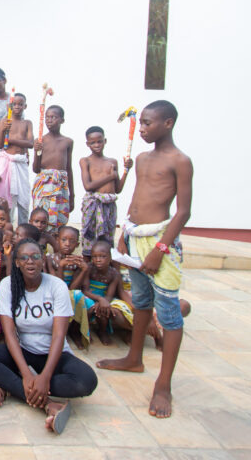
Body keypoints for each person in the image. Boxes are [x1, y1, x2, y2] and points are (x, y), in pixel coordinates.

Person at [96, 100, 193, 419]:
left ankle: (163, 385)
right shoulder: (141, 158)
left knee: (168, 313)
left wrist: (161, 248)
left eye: (149, 123)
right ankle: (134, 358)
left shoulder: (180, 161)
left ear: (168, 123)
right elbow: (137, 196)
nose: (143, 129)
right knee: (141, 302)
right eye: (143, 123)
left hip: (159, 241)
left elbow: (182, 211)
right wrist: (125, 230)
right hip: (135, 236)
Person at [0, 238, 98, 434]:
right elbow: (10, 334)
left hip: (53, 355)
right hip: (22, 353)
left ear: (42, 260)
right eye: (24, 258)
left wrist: (45, 377)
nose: (30, 262)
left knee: (86, 381)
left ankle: (9, 385)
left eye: (35, 257)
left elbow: (58, 335)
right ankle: (47, 403)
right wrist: (27, 374)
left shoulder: (56, 286)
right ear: (17, 263)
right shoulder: (8, 285)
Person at [79, 126, 132, 256]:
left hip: (109, 206)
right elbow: (88, 186)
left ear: (105, 141)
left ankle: (105, 269)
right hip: (93, 205)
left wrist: (126, 170)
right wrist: (110, 176)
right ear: (87, 144)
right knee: (90, 239)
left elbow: (117, 189)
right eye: (92, 142)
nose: (97, 145)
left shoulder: (112, 162)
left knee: (106, 240)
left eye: (99, 141)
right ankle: (88, 267)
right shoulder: (85, 161)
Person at [31, 105, 74, 240]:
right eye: (47, 117)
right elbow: (36, 169)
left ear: (62, 120)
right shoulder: (40, 140)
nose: (49, 120)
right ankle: (40, 248)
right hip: (44, 186)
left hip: (60, 186)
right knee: (41, 218)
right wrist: (36, 151)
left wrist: (72, 195)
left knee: (59, 221)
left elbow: (68, 168)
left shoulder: (67, 142)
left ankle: (55, 250)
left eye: (53, 117)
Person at [81, 240, 134, 346]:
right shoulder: (89, 268)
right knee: (86, 307)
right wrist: (99, 300)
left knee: (104, 310)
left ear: (110, 258)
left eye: (102, 256)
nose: (98, 260)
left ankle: (102, 331)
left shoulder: (114, 274)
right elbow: (85, 290)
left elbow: (110, 294)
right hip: (90, 296)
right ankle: (84, 332)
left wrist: (103, 301)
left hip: (104, 298)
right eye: (95, 257)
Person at [46, 225, 91, 349]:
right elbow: (57, 285)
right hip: (54, 291)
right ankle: (62, 332)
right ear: (57, 240)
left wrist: (83, 270)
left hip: (71, 292)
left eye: (72, 241)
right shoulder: (50, 259)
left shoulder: (77, 262)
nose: (67, 244)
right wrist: (60, 267)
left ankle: (75, 331)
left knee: (77, 296)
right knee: (67, 297)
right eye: (64, 240)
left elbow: (74, 287)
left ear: (77, 245)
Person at [0, 93, 33, 226]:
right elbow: (0, 145)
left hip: (19, 163)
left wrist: (10, 140)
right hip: (5, 162)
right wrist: (2, 131)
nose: (17, 107)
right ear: (9, 106)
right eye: (14, 104)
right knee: (4, 195)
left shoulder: (27, 123)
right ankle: (6, 228)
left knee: (23, 196)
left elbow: (30, 143)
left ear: (25, 106)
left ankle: (23, 229)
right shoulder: (5, 121)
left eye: (20, 104)